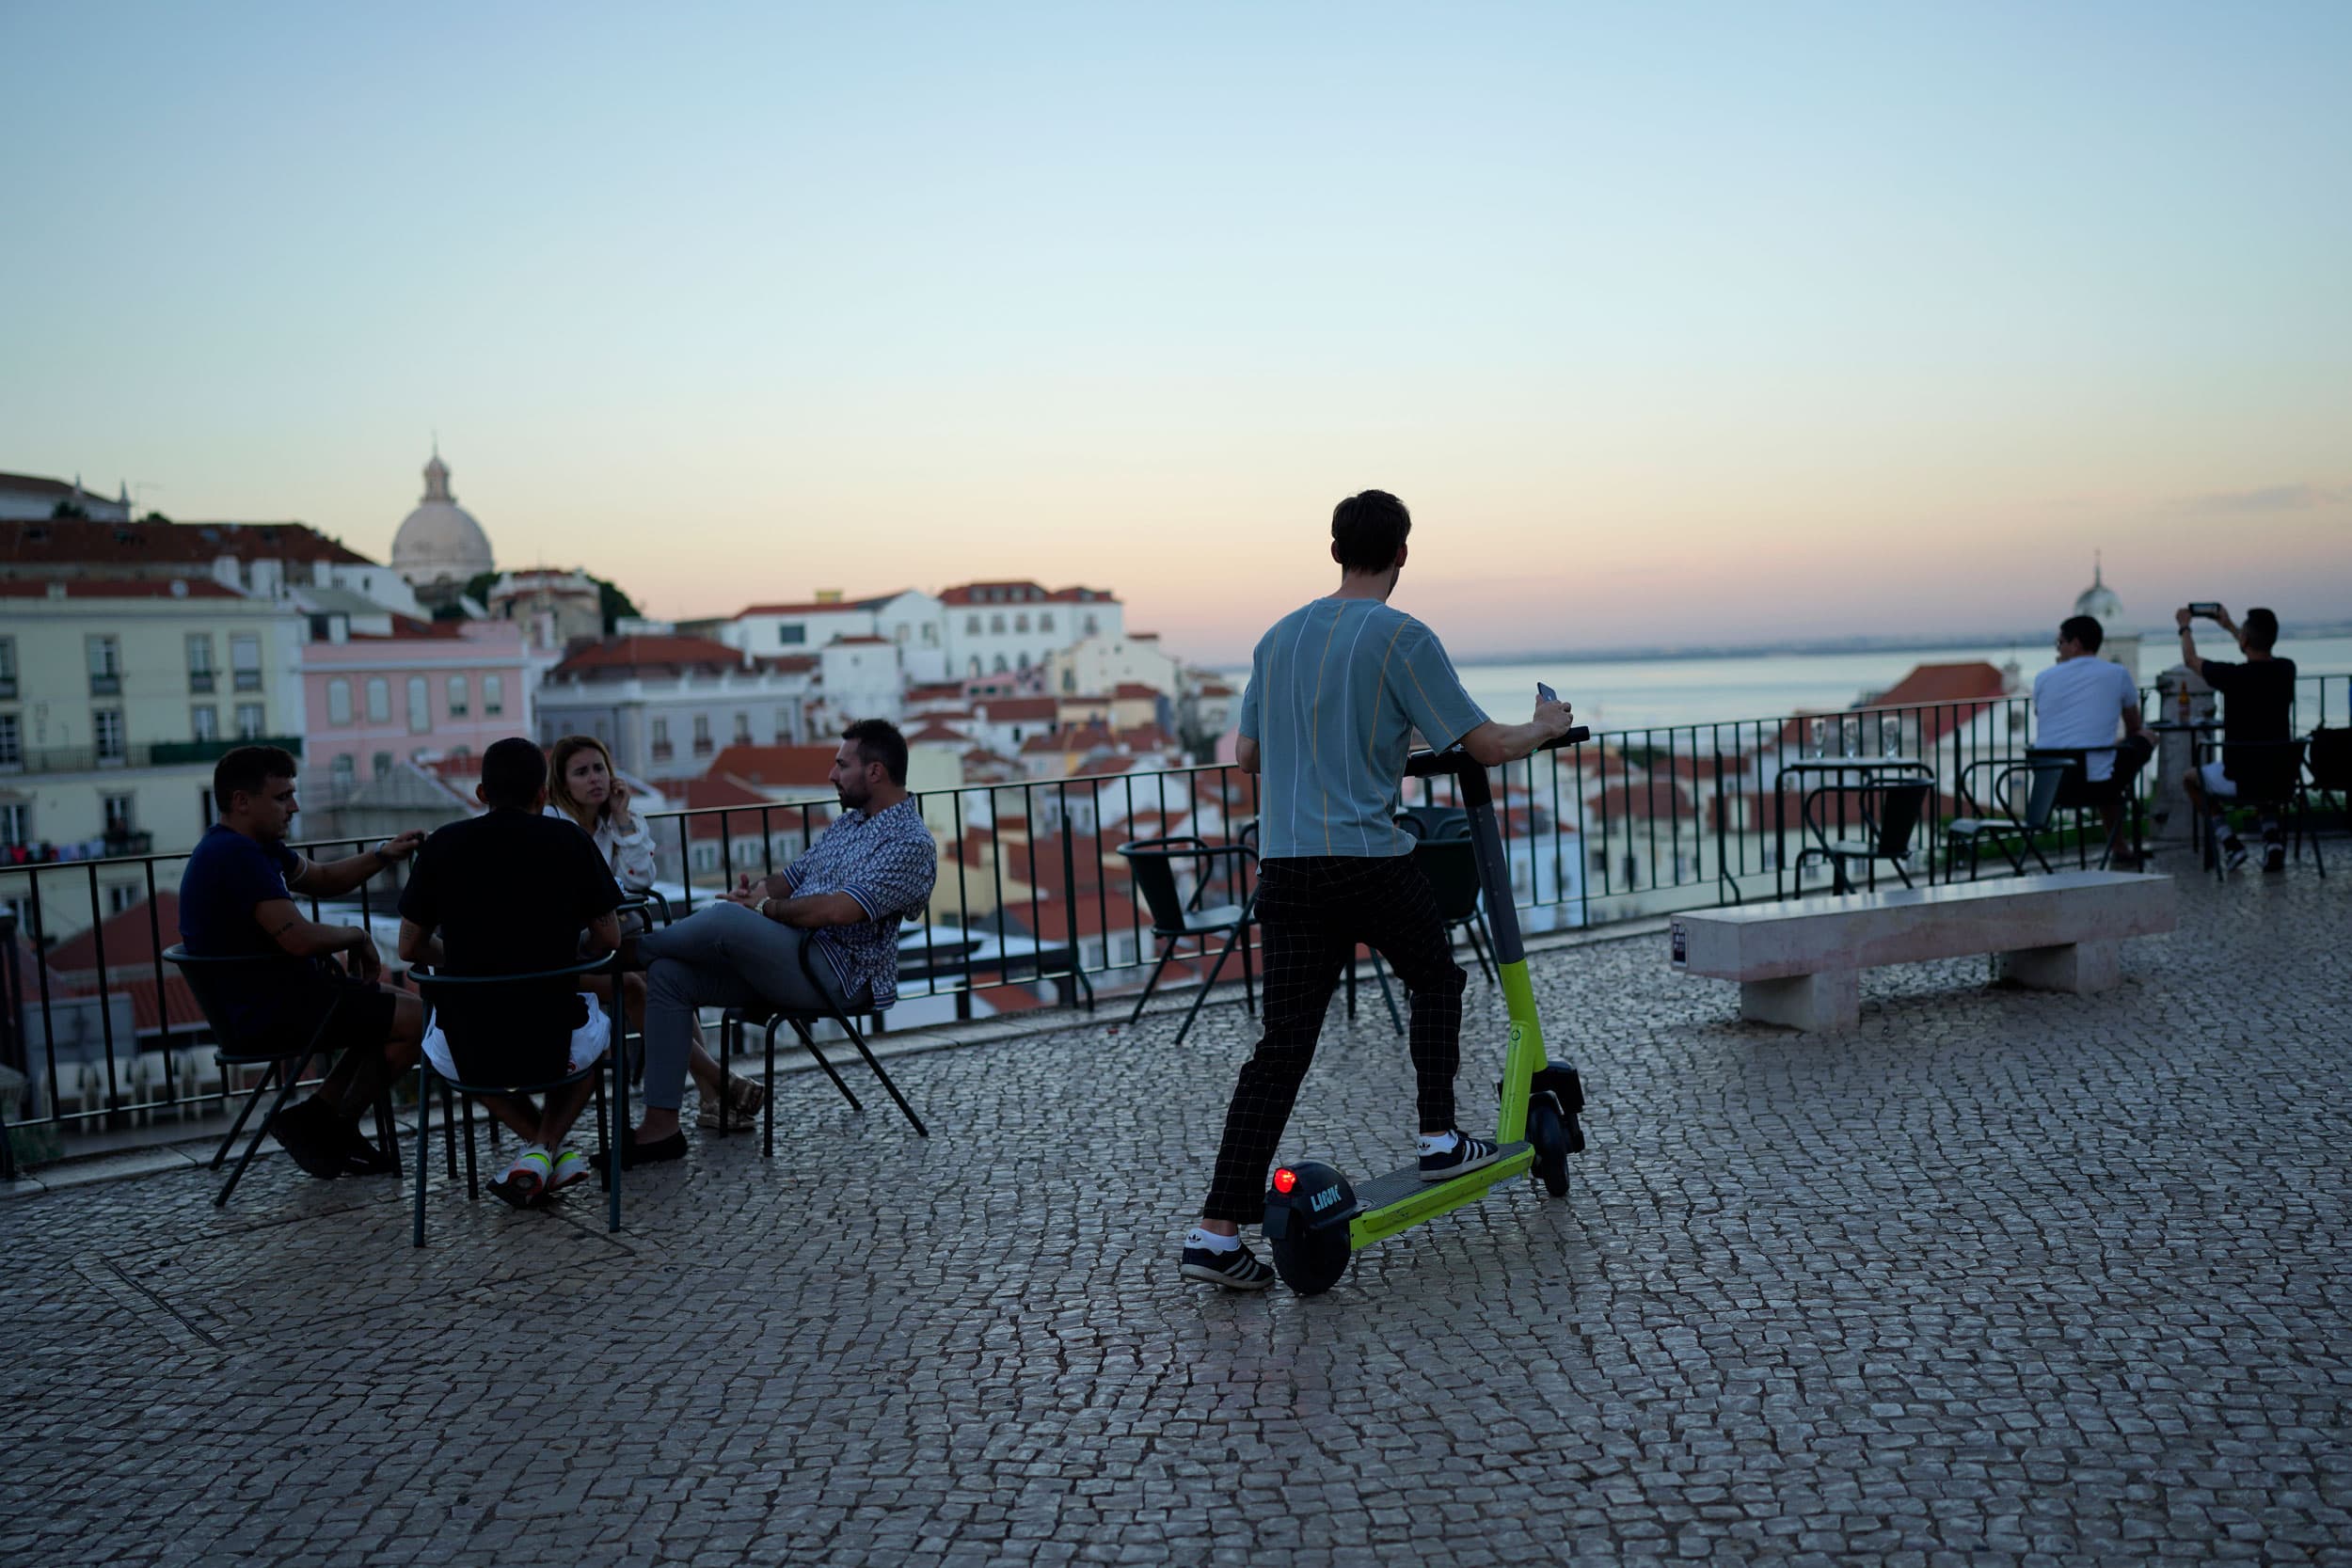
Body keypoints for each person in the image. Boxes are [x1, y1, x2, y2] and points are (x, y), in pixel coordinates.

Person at [1182, 489, 1579, 1291]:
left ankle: (1215, 1232)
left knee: (1281, 1050)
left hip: (1288, 865)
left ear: (1334, 550)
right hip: (1364, 856)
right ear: (1402, 554)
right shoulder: (1402, 636)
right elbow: (1483, 744)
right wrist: (1546, 724)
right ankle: (1438, 1135)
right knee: (1437, 976)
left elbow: (1250, 755)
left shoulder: (1276, 638)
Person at [598, 719, 938, 1169]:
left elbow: (839, 910)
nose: (832, 775)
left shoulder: (910, 842)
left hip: (839, 975)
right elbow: (789, 881)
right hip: (790, 957)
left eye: (842, 765)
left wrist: (761, 912)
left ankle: (623, 953)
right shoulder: (849, 825)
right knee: (669, 976)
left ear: (875, 772)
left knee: (722, 922)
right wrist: (756, 892)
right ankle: (661, 1127)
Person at [177, 745, 427, 1180]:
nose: (293, 807)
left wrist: (383, 855)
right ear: (241, 801)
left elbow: (325, 879)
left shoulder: (252, 848)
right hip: (269, 1012)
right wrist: (358, 936)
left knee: (396, 1010)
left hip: (274, 1000)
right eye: (281, 797)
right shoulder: (237, 857)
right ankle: (328, 1123)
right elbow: (296, 938)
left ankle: (321, 1117)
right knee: (418, 1019)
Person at [397, 737, 624, 1207]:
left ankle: (541, 1154)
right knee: (592, 1043)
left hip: (471, 1037)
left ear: (480, 794)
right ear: (543, 795)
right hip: (554, 1028)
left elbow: (409, 946)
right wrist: (563, 952)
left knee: (464, 1060)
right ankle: (546, 1149)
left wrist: (463, 962)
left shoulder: (442, 845)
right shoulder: (570, 841)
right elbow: (610, 938)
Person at [546, 735, 764, 1132]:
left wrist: (624, 819)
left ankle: (712, 1093)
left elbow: (642, 878)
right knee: (641, 985)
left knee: (668, 972)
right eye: (581, 772)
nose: (594, 778)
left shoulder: (620, 820)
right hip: (570, 951)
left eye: (599, 768)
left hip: (615, 938)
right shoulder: (554, 826)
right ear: (562, 783)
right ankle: (717, 1081)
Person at [2176, 605, 2298, 872]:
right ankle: (2273, 842)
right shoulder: (2287, 670)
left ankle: (2230, 843)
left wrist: (2185, 626)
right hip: (2281, 777)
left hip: (2242, 779)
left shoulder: (2231, 676)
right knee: (2264, 771)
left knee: (2190, 779)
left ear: (2244, 640)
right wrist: (2231, 626)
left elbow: (2190, 659)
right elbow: (2260, 651)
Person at [2030, 614, 2153, 866]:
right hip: (2098, 784)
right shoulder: (2117, 673)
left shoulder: (2043, 678)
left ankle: (2119, 846)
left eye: (2060, 643)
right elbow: (2134, 726)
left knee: (2104, 763)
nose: (2059, 649)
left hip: (2051, 784)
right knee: (2147, 738)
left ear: (2075, 643)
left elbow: (2044, 716)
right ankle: (2120, 846)